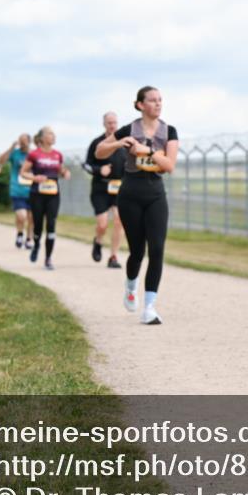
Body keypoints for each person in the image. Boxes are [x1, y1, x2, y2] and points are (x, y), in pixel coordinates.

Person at [95, 86, 178, 325]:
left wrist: (148, 151)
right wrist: (118, 143)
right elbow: (100, 152)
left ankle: (149, 307)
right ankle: (131, 285)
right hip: (130, 193)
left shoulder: (169, 131)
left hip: (155, 193)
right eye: (152, 100)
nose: (158, 104)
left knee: (158, 249)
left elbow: (170, 165)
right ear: (140, 104)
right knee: (137, 252)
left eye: (160, 100)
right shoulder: (128, 129)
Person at [20, 127, 71, 270]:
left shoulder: (57, 155)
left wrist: (66, 173)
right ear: (42, 138)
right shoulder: (34, 154)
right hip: (37, 194)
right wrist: (35, 177)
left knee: (51, 224)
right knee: (37, 224)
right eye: (50, 134)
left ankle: (48, 258)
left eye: (53, 134)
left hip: (53, 194)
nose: (53, 136)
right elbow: (23, 172)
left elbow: (61, 170)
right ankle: (36, 245)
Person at [85, 111, 127, 268]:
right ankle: (98, 241)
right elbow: (87, 164)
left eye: (115, 122)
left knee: (119, 221)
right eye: (109, 123)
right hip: (100, 188)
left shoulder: (124, 143)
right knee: (102, 224)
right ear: (104, 124)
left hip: (119, 188)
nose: (112, 125)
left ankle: (113, 257)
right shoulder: (97, 143)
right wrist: (98, 170)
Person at [0, 134, 35, 249]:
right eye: (21, 141)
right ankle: (20, 233)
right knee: (22, 216)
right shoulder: (15, 153)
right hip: (17, 189)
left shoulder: (34, 154)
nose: (22, 143)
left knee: (32, 217)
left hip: (32, 190)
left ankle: (29, 238)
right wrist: (11, 147)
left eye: (24, 141)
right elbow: (0, 161)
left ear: (29, 142)